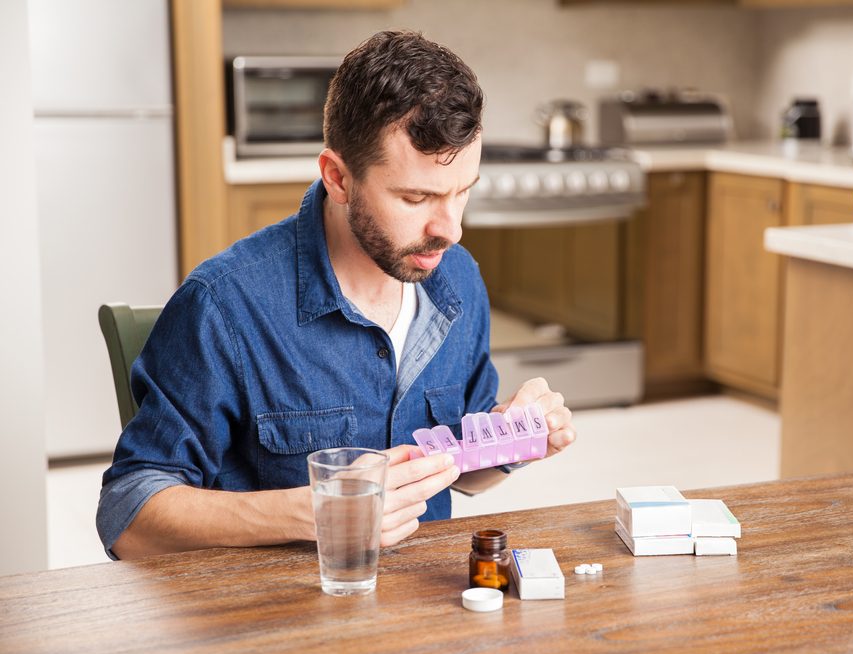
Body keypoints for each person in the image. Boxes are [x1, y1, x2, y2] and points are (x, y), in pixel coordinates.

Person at [96, 30, 576, 560]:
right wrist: (314, 511)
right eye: (416, 197)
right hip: (278, 619)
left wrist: (512, 441)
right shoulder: (225, 304)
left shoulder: (457, 279)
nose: (451, 229)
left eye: (463, 192)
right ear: (337, 178)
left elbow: (463, 477)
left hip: (426, 609)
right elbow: (128, 515)